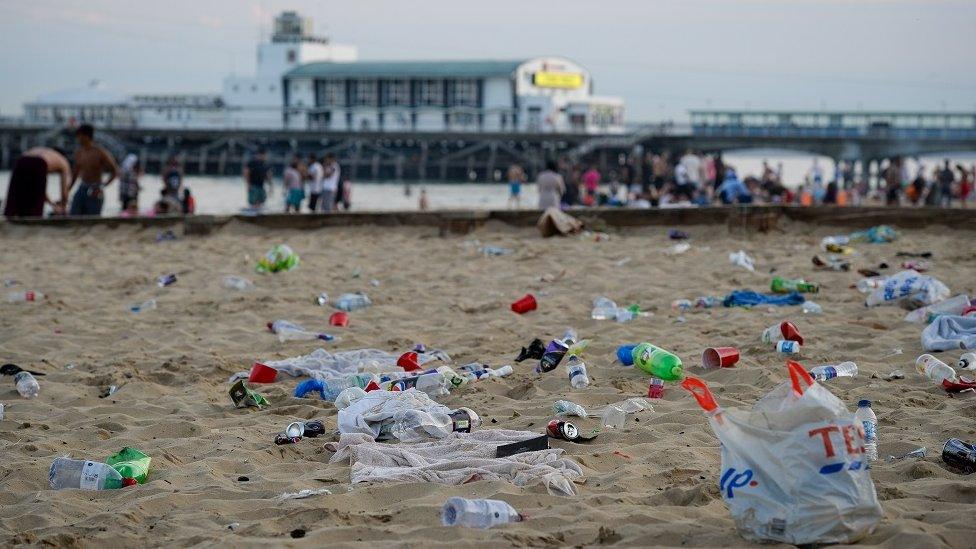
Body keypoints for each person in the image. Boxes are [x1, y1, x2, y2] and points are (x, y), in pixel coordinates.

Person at [4, 147, 70, 217]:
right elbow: (64, 191)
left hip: (21, 161)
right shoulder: (63, 161)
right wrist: (64, 208)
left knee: (14, 200)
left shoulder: (42, 150)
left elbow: (41, 190)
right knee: (35, 209)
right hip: (39, 163)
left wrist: (52, 204)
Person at [68, 124, 118, 216]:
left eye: (79, 136)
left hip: (95, 190)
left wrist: (102, 187)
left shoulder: (100, 152)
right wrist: (67, 190)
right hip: (82, 188)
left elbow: (115, 171)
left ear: (86, 136)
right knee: (73, 216)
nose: (77, 139)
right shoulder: (79, 153)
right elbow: (75, 174)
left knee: (92, 220)